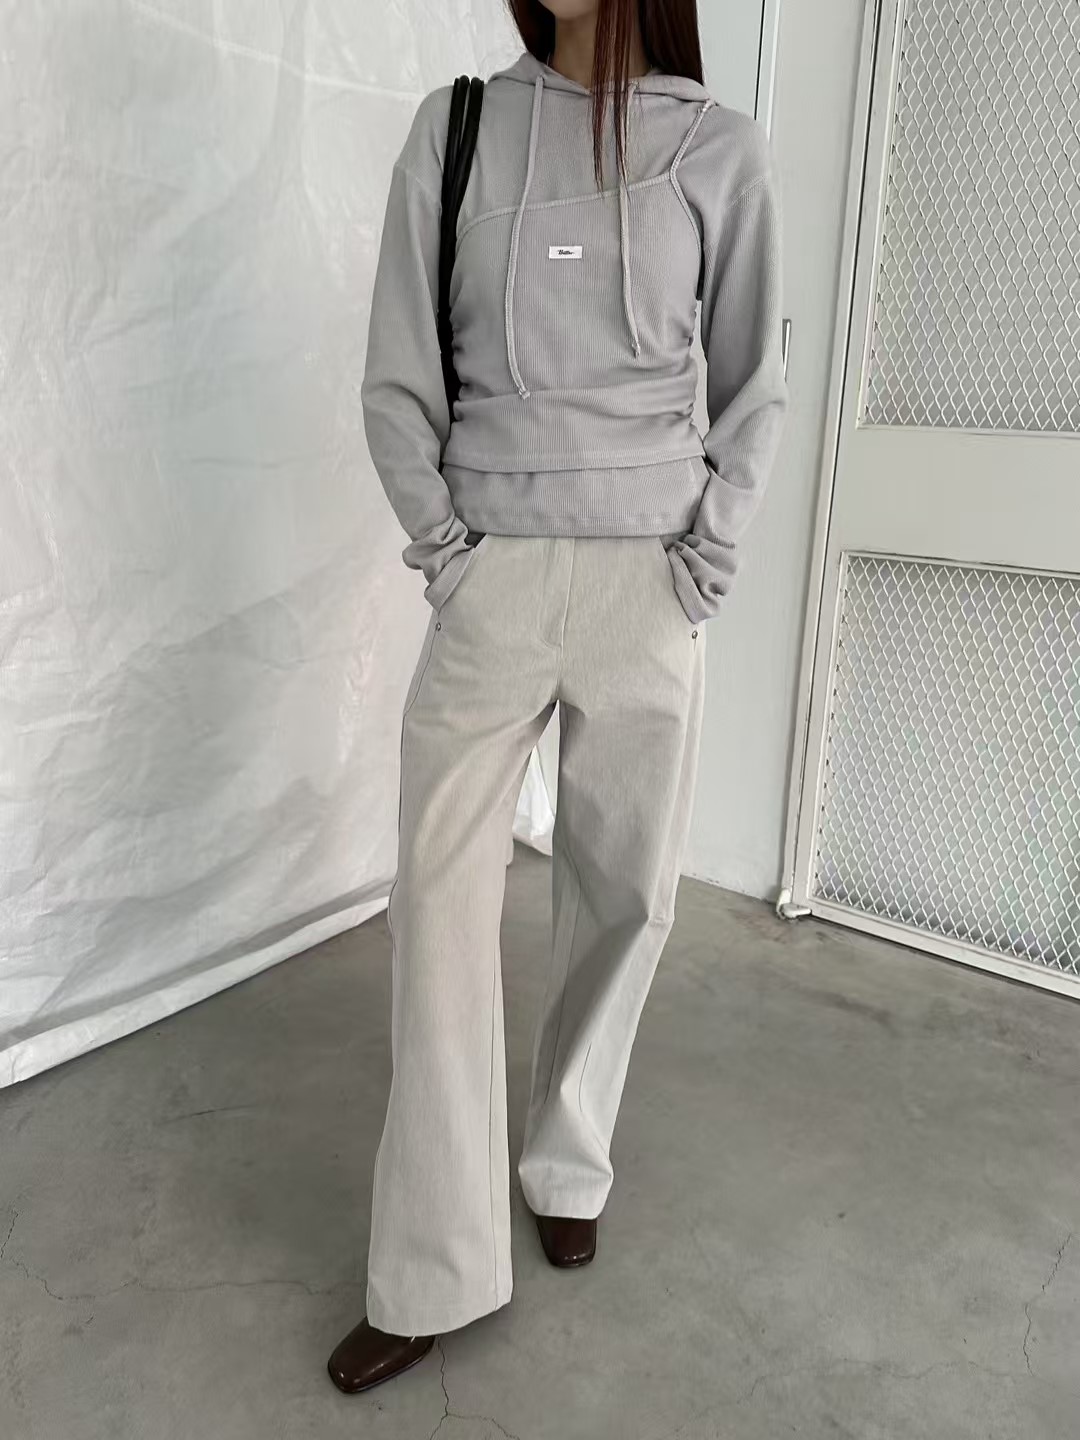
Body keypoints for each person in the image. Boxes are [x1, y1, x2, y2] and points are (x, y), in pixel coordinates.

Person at [328, 0, 788, 1393]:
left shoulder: (718, 148)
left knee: (625, 896)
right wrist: (448, 554)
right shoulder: (459, 129)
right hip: (495, 583)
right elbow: (398, 375)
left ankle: (567, 1163)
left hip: (649, 587)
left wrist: (703, 565)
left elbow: (753, 388)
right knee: (438, 909)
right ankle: (432, 1263)